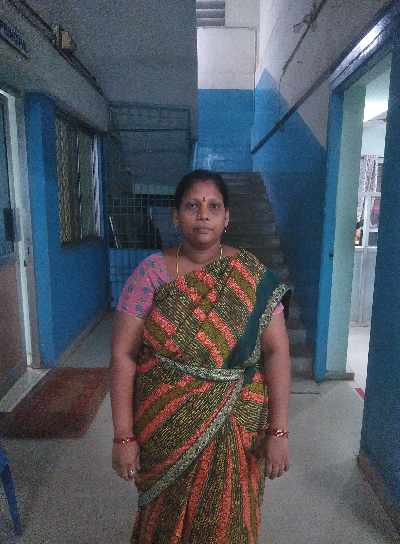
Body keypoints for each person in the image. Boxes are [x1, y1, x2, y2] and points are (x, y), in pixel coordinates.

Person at [110, 169, 291, 543]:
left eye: (213, 206)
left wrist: (279, 430)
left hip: (238, 424)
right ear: (176, 216)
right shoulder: (150, 274)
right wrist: (123, 437)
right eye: (192, 206)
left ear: (227, 217)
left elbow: (276, 352)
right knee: (164, 517)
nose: (203, 215)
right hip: (165, 422)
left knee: (228, 520)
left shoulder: (252, 276)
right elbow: (123, 355)